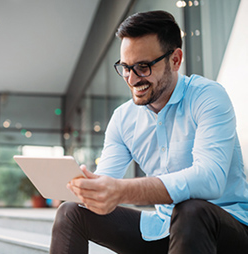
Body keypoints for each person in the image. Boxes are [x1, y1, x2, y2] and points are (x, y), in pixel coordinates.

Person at [50, 10, 248, 254]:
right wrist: (90, 190)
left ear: (175, 60)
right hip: (163, 228)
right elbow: (106, 180)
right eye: (125, 67)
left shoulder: (207, 96)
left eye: (142, 67)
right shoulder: (123, 118)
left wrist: (122, 190)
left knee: (191, 209)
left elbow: (209, 179)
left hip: (225, 228)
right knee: (71, 212)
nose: (132, 79)